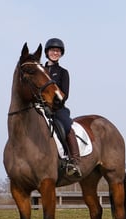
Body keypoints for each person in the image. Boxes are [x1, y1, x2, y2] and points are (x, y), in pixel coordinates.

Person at [44, 37, 82, 177]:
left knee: (67, 126)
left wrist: (54, 104)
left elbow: (64, 94)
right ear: (47, 52)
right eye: (53, 50)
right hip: (39, 107)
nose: (55, 53)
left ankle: (75, 161)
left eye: (58, 51)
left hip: (57, 108)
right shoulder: (40, 70)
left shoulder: (63, 72)